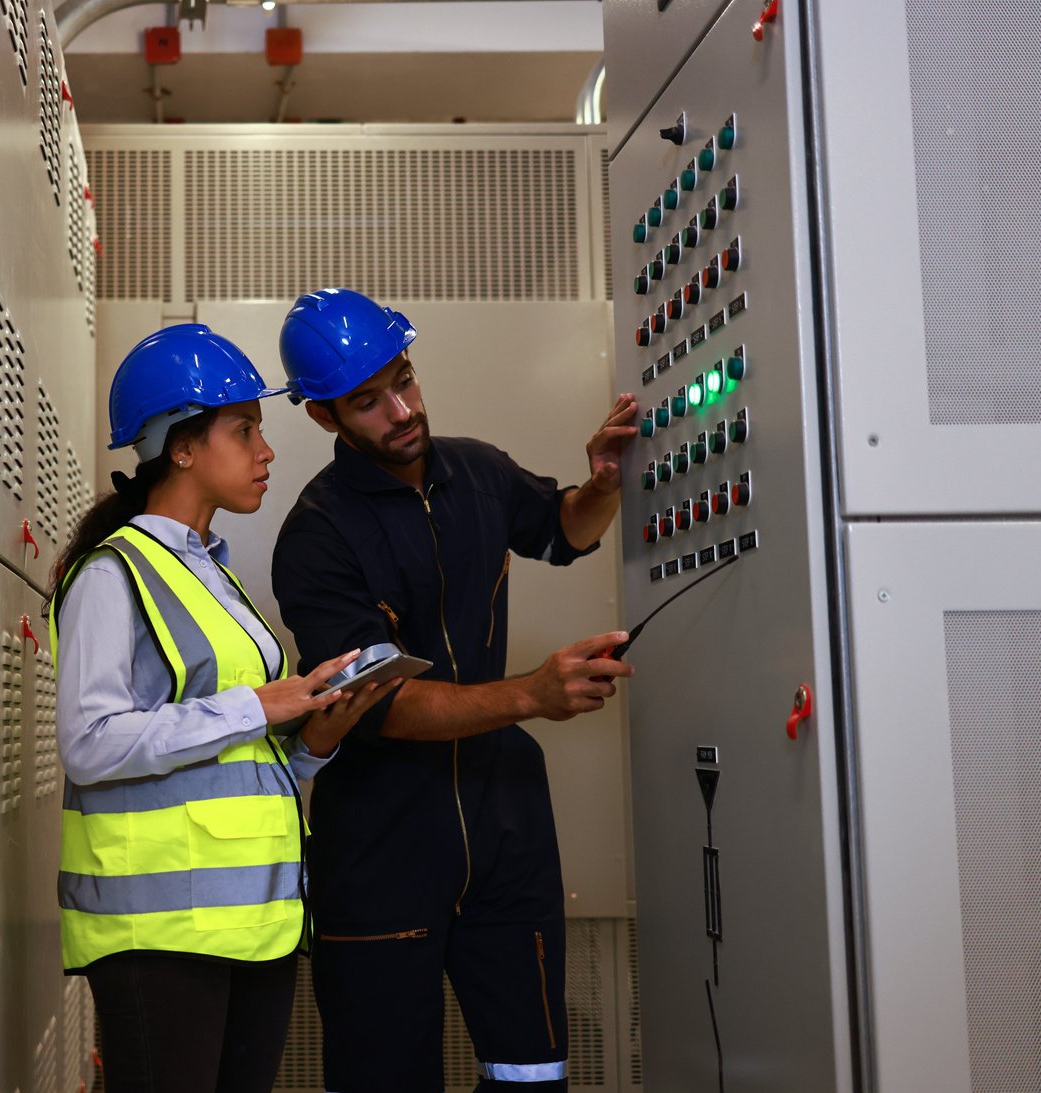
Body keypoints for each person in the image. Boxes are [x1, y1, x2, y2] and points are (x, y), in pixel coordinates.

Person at [268, 289, 639, 1092]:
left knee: (530, 1072)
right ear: (324, 418)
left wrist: (603, 482)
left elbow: (561, 529)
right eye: (368, 402)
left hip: (504, 825)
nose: (401, 410)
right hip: (380, 843)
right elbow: (385, 707)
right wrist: (532, 694)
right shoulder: (316, 535)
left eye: (404, 380)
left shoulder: (475, 469)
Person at [48, 323, 399, 1093]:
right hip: (160, 935)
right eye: (243, 431)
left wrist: (314, 737)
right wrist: (257, 702)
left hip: (254, 924)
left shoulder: (213, 573)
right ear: (180, 445)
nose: (265, 451)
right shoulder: (112, 575)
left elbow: (234, 753)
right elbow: (90, 743)